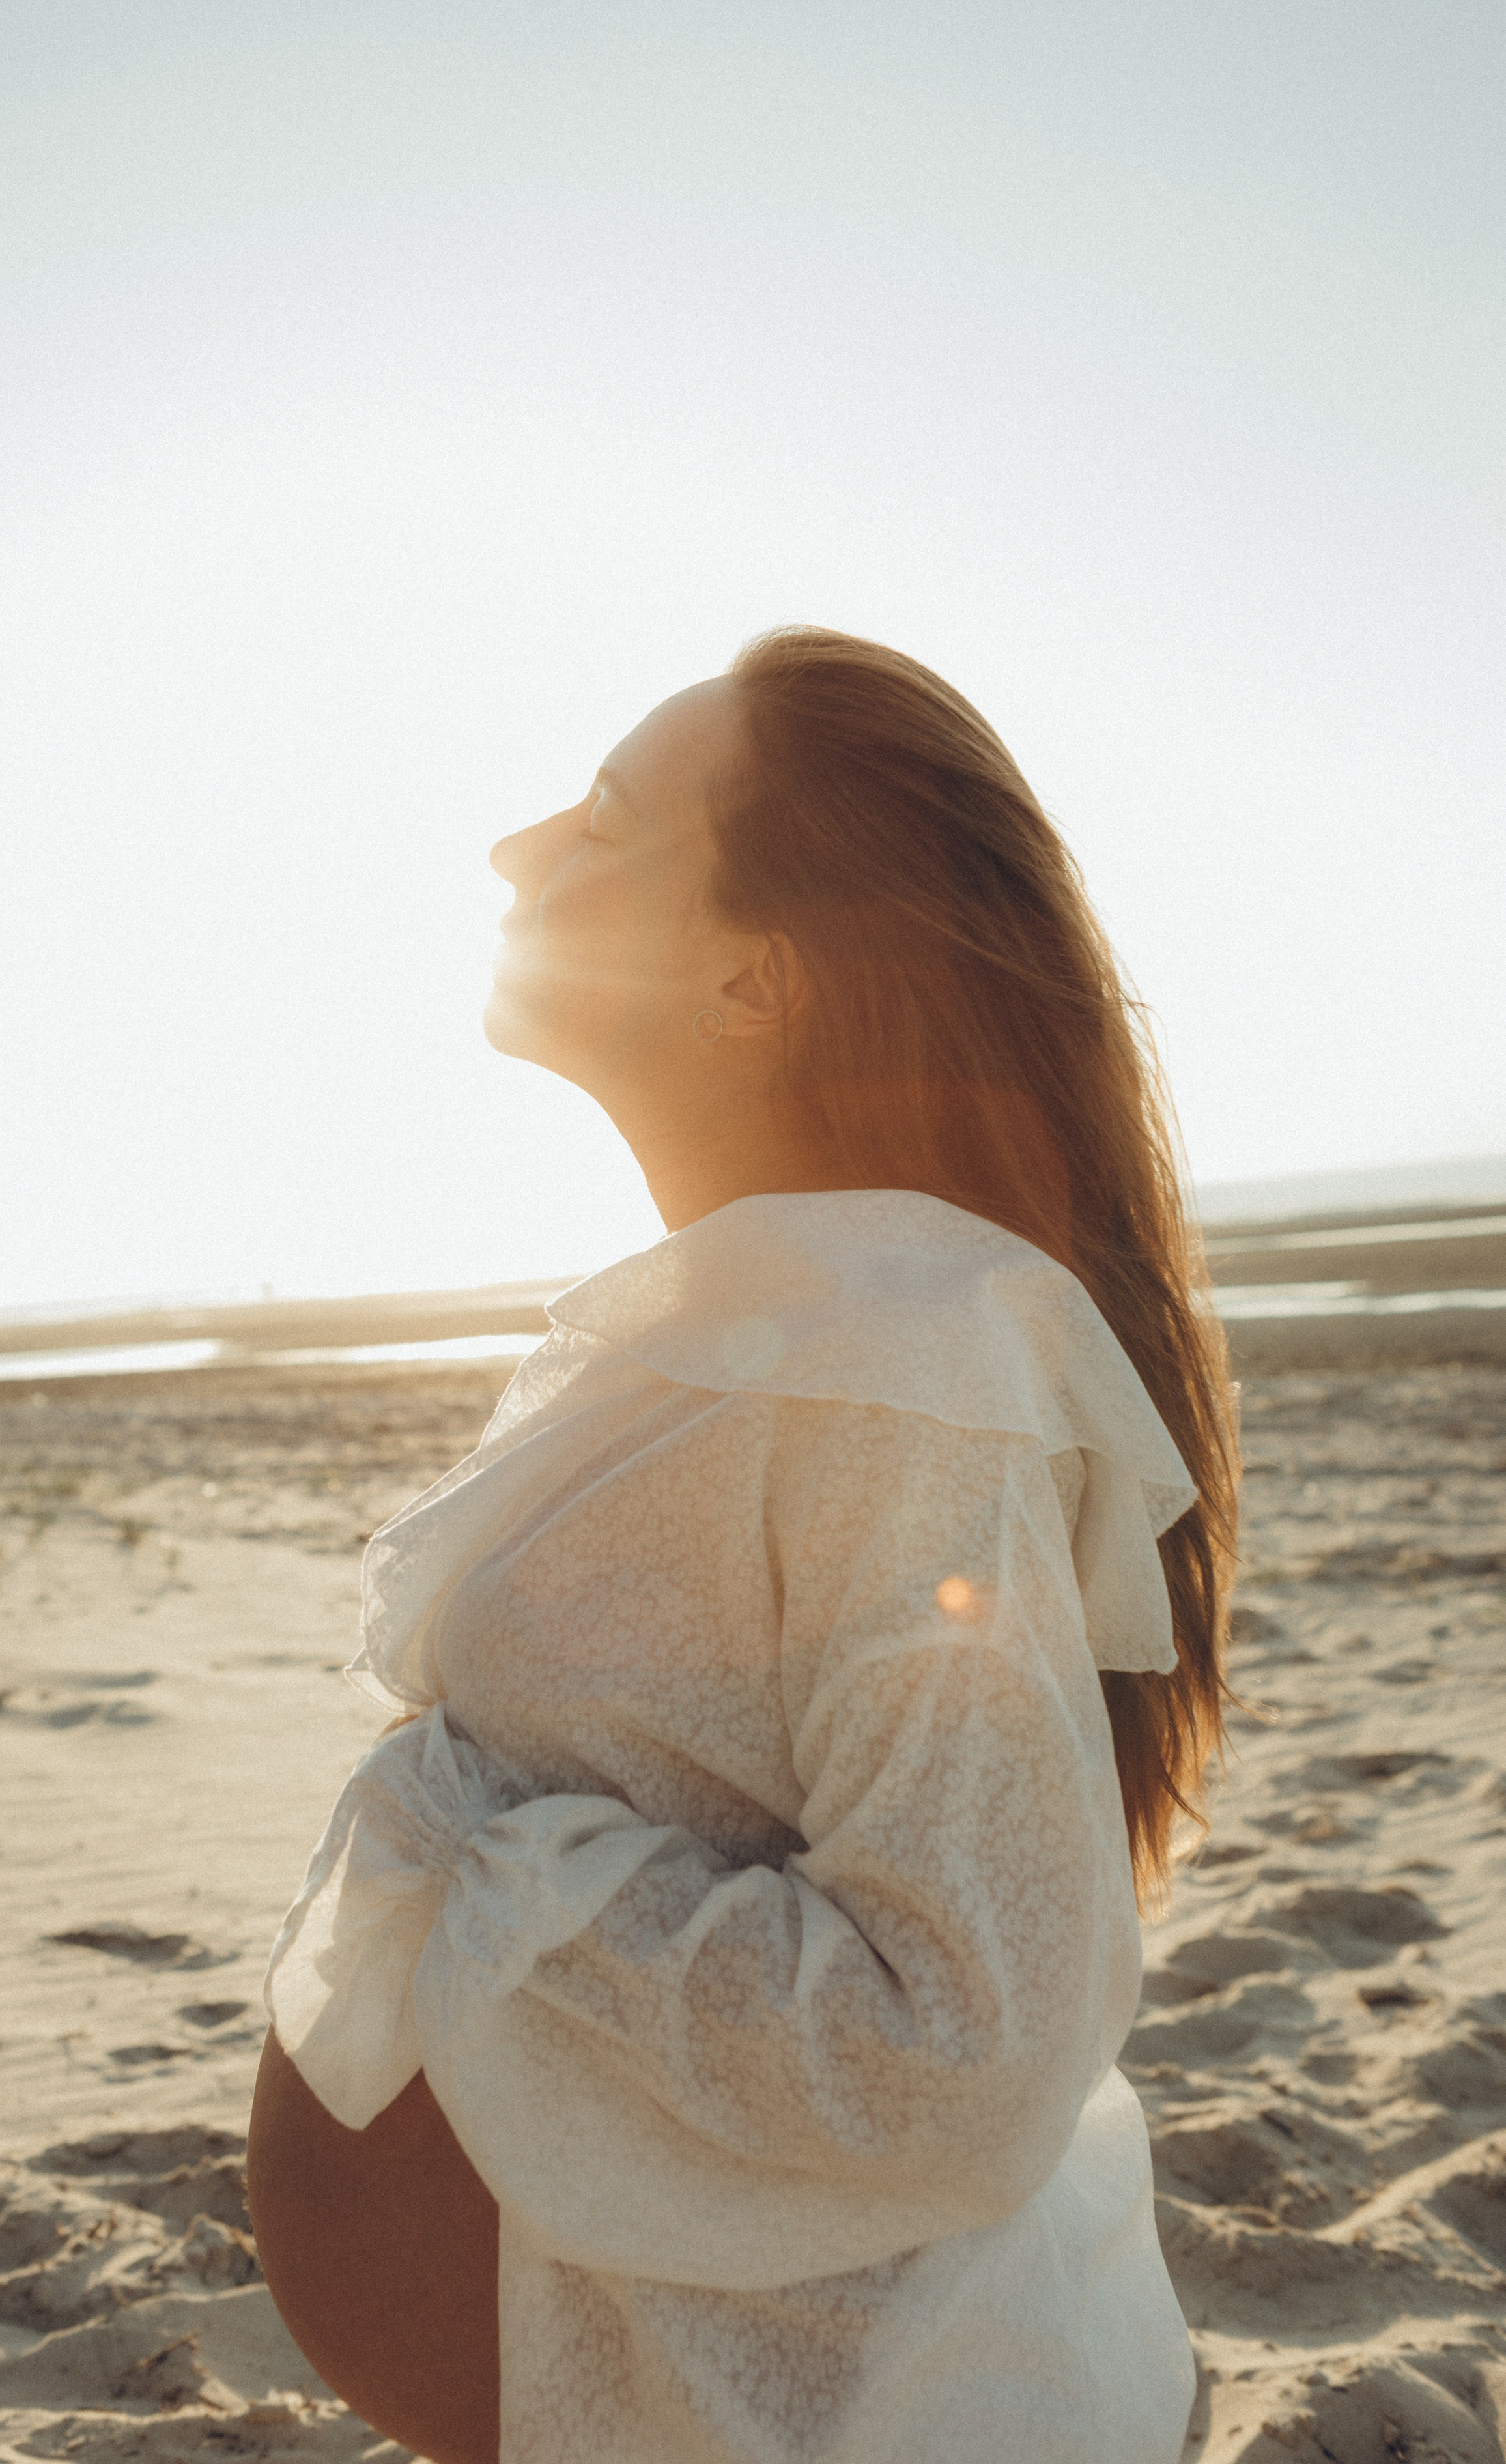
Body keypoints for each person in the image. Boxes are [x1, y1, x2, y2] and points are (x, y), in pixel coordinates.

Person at [244, 626, 1240, 2464]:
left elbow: (961, 2051)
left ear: (752, 984)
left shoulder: (894, 1387)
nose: (517, 851)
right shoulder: (767, 1334)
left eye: (609, 820)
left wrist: (482, 1866)